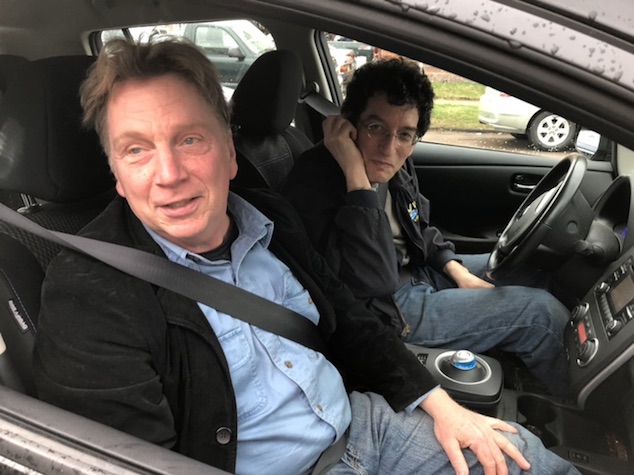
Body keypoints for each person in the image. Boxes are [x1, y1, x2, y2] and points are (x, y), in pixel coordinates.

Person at [32, 38, 579, 475]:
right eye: (136, 150)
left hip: (364, 426)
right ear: (117, 175)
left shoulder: (267, 217)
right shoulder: (89, 291)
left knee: (519, 456)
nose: (169, 174)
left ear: (229, 152)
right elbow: (135, 464)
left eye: (190, 139)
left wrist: (441, 405)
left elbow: (351, 319)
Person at [281, 58, 572, 398]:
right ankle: (583, 409)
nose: (389, 148)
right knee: (539, 315)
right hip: (385, 310)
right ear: (349, 126)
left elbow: (419, 225)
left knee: (533, 270)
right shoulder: (314, 182)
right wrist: (357, 181)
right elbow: (373, 281)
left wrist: (456, 271)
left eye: (404, 135)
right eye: (375, 127)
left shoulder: (397, 164)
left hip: (419, 272)